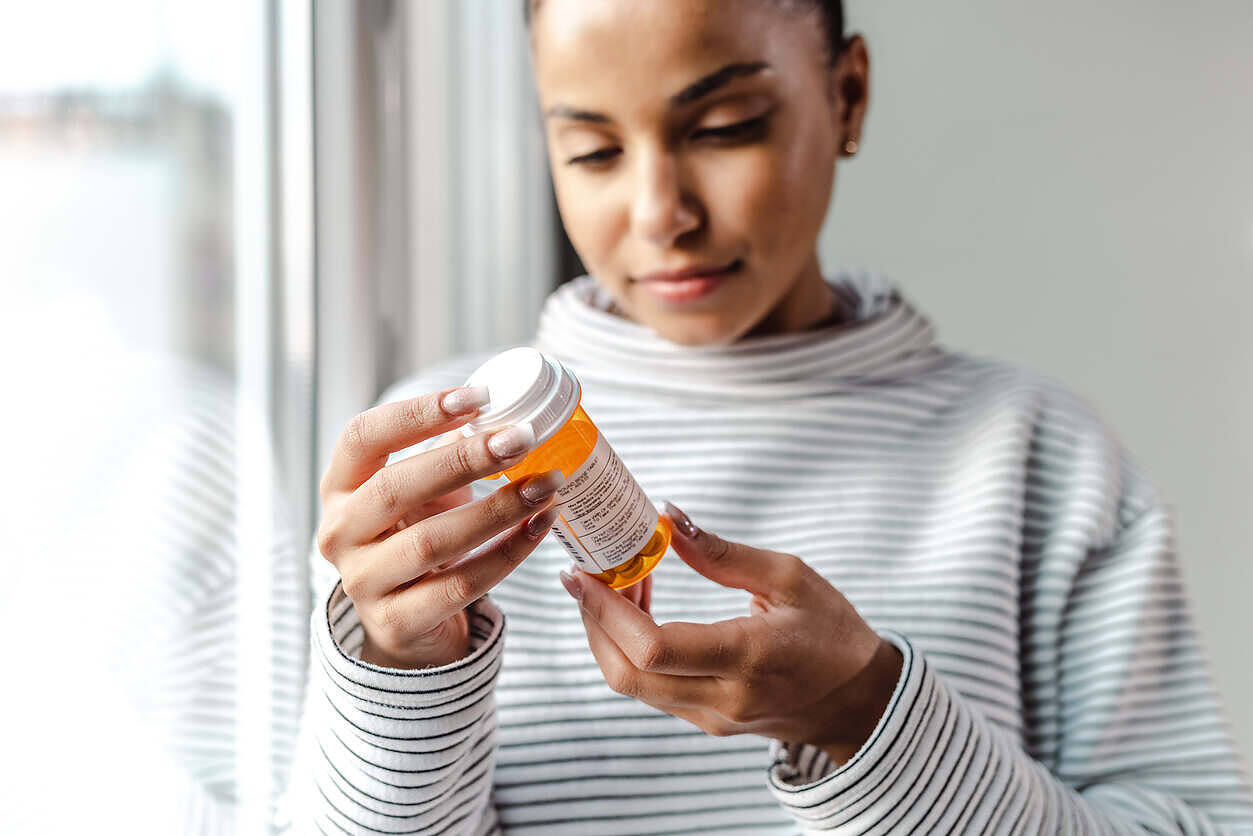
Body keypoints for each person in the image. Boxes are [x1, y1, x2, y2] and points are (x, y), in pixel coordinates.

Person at [288, 1, 1253, 832]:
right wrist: (396, 677)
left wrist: (867, 718)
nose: (660, 212)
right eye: (590, 150)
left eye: (724, 126)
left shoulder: (1038, 459)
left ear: (847, 95)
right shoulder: (432, 476)